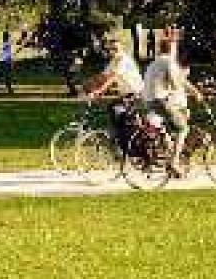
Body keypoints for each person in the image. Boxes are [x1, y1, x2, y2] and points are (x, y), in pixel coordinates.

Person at [144, 37, 202, 175]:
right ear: (171, 48)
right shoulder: (169, 61)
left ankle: (170, 150)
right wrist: (191, 93)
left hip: (149, 100)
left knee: (174, 124)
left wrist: (195, 91)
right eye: (175, 47)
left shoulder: (156, 62)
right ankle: (174, 163)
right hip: (160, 100)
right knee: (183, 128)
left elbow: (180, 80)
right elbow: (176, 82)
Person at [86, 37, 146, 152]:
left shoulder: (124, 60)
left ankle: (125, 141)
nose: (113, 51)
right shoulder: (114, 61)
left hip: (136, 93)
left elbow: (113, 78)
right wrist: (88, 85)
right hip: (127, 95)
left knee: (115, 109)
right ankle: (122, 140)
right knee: (116, 111)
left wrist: (99, 91)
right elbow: (103, 77)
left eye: (116, 48)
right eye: (111, 49)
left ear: (122, 48)